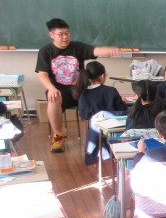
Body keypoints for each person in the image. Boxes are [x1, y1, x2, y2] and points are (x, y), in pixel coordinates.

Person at [36, 18, 120, 153]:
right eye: (61, 34)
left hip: (79, 89)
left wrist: (108, 50)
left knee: (101, 94)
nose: (65, 37)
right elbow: (42, 75)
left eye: (67, 33)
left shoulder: (77, 47)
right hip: (59, 91)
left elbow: (95, 50)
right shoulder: (45, 51)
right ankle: (58, 137)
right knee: (53, 98)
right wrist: (51, 88)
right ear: (52, 35)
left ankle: (103, 135)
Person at [77, 61, 127, 165]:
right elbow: (122, 110)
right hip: (114, 128)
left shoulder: (83, 93)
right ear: (102, 76)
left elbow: (84, 115)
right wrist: (123, 102)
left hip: (95, 131)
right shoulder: (111, 91)